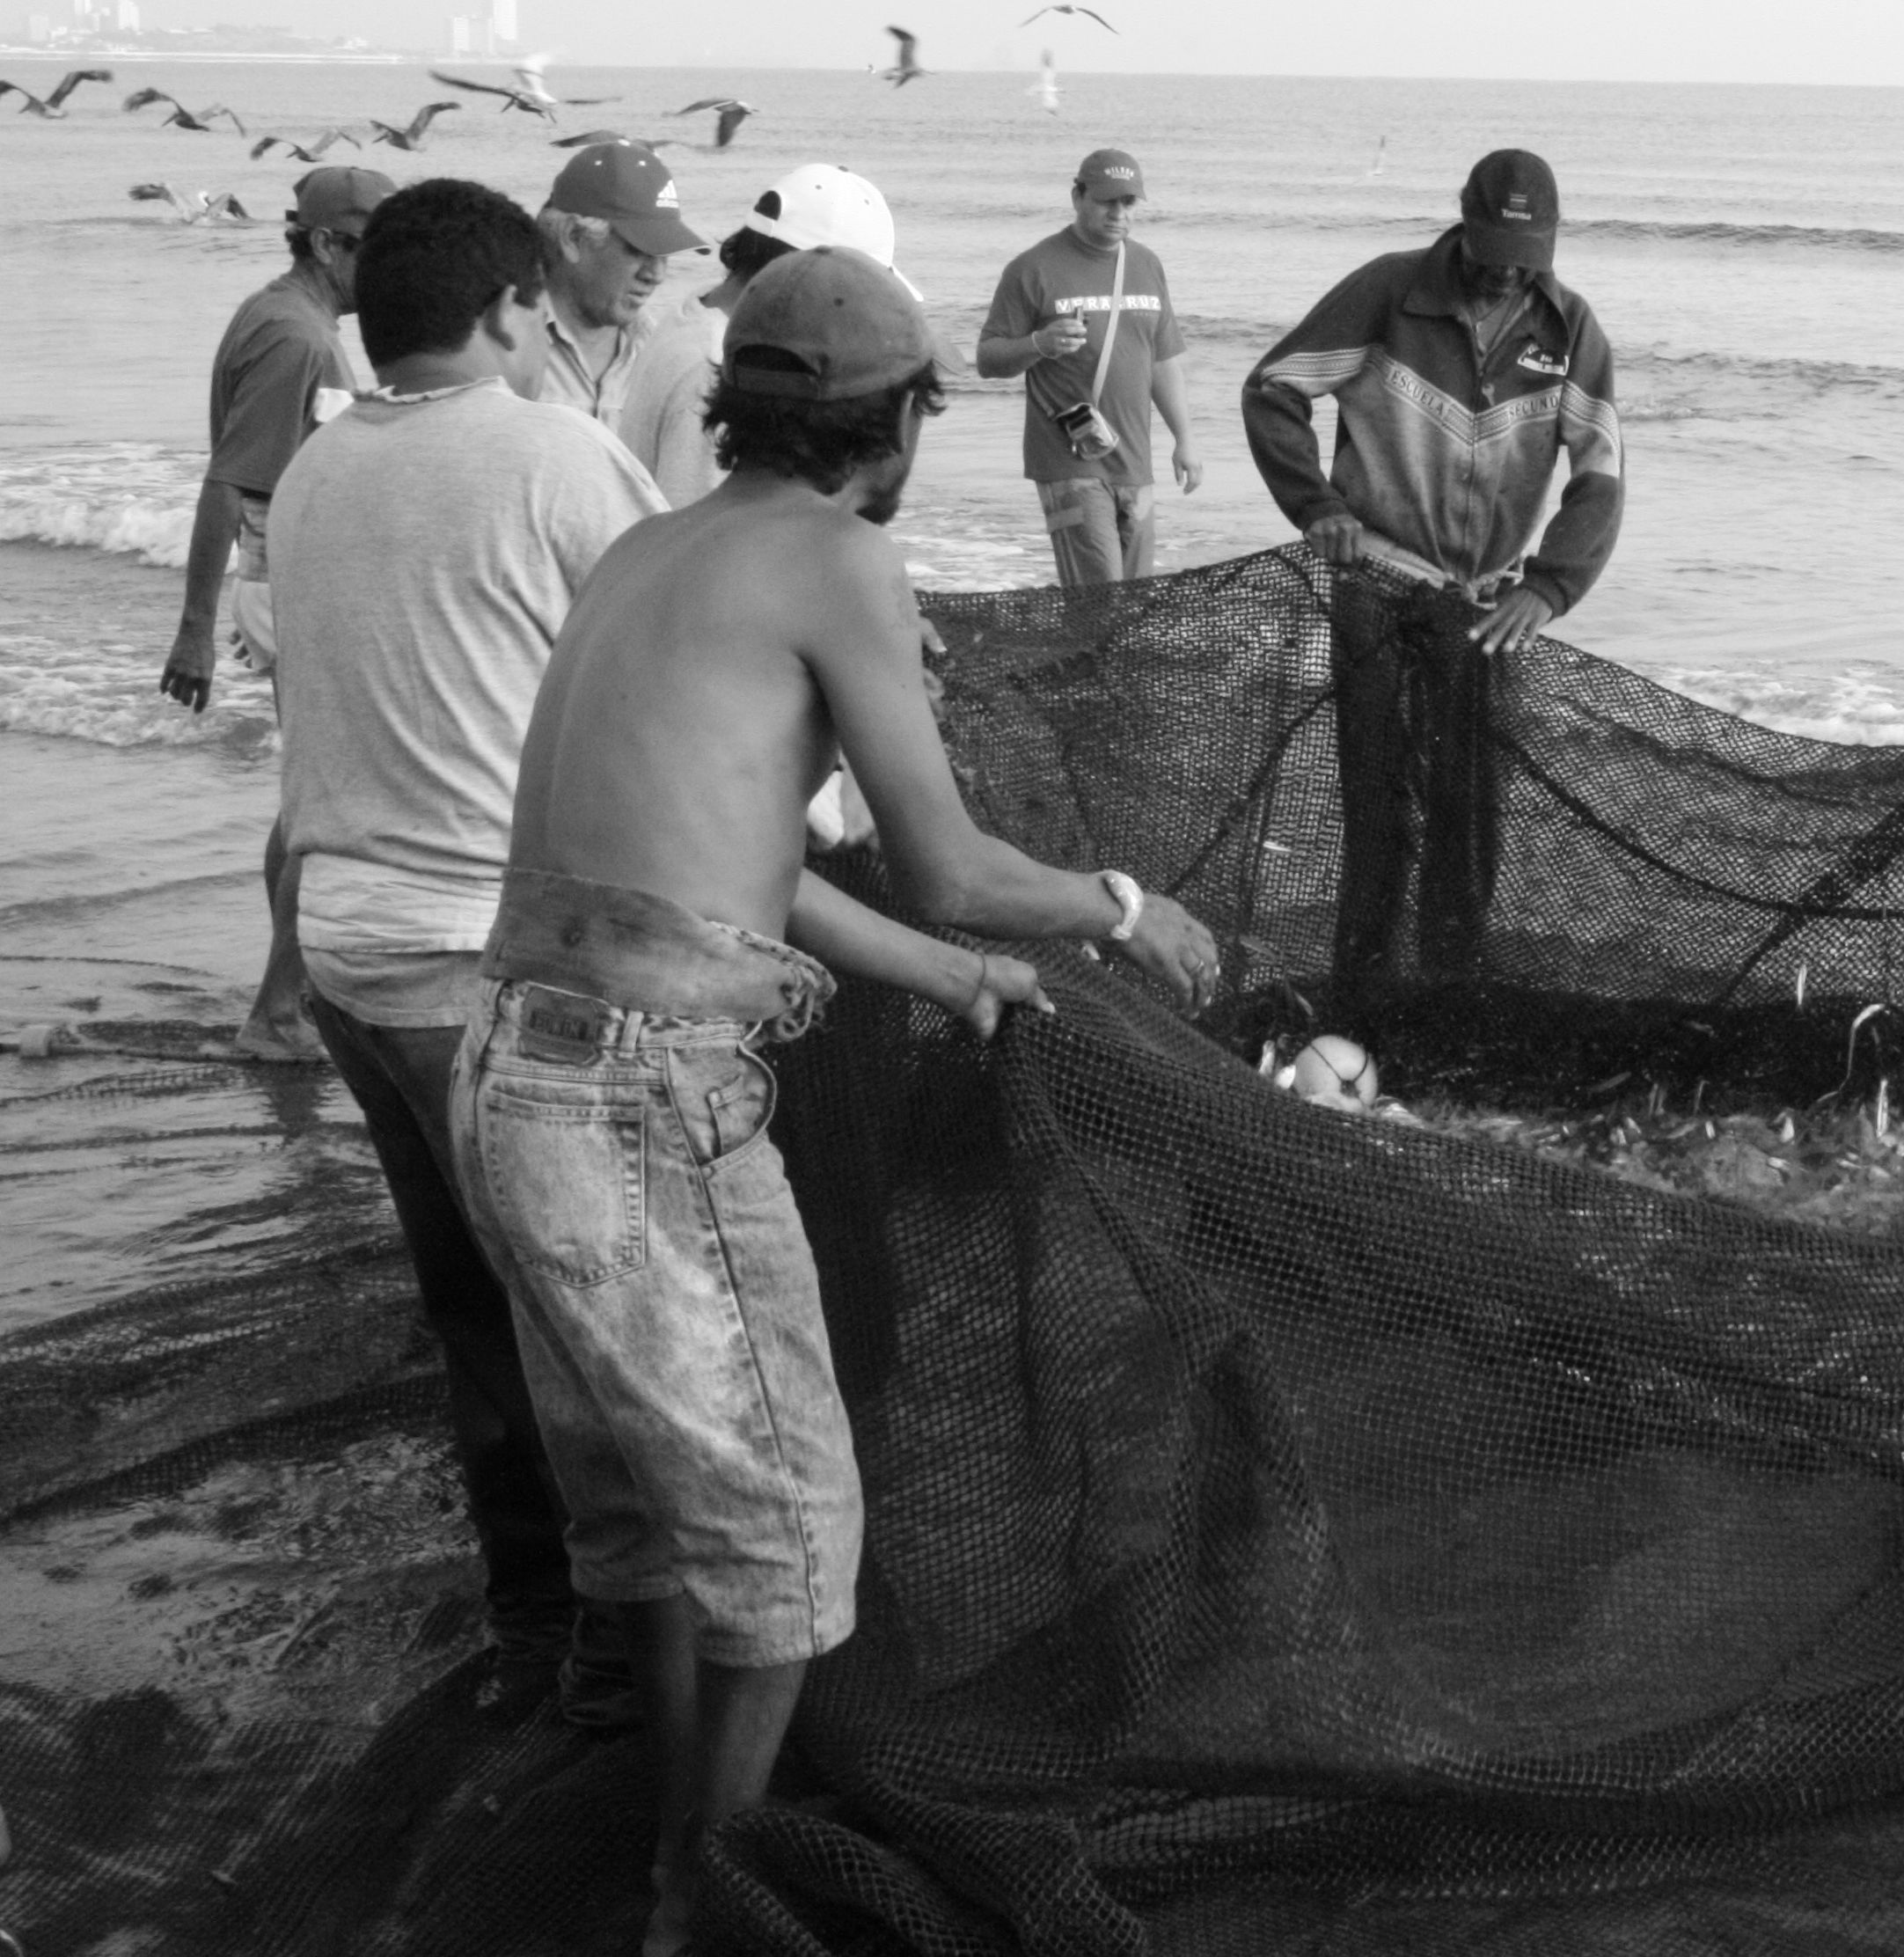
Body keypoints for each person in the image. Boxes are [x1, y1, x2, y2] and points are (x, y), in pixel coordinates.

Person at [455, 245, 1219, 1956]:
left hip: (512, 1074)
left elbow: (743, 866)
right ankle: (697, 1903)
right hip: (648, 1106)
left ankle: (678, 1846)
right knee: (801, 1547)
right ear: (898, 430)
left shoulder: (651, 547)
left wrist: (946, 983)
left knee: (660, 1531)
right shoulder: (839, 561)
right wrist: (1120, 905)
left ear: (740, 404)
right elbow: (947, 858)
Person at [265, 176, 667, 1723]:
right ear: (514, 311)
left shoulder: (314, 466)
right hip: (477, 967)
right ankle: (618, 1657)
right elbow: (674, 643)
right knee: (586, 1318)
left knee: (473, 1308)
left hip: (351, 955)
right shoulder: (552, 449)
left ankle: (528, 1614)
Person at [1241, 148, 1624, 993]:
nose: (1504, 280)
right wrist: (1318, 508)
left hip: (1487, 607)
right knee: (1379, 808)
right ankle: (1365, 987)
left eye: (1525, 265)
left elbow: (1599, 475)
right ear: (1462, 220)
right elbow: (1273, 389)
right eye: (1492, 258)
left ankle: (1450, 986)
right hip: (1376, 585)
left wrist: (1549, 585)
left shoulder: (1569, 330)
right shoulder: (1388, 292)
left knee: (1471, 811)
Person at [157, 164, 393, 1059]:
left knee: (309, 804)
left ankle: (291, 999)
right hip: (283, 582)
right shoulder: (297, 338)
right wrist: (192, 631)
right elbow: (230, 479)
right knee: (323, 809)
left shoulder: (280, 315)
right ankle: (280, 1013)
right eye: (377, 249)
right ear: (329, 243)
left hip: (285, 579)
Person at [974, 148, 1202, 584]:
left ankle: (1101, 656)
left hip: (1133, 458)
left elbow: (1164, 359)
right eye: (1106, 201)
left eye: (1128, 203)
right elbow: (988, 359)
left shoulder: (1146, 264)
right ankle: (1091, 655)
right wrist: (1040, 343)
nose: (1118, 213)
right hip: (1068, 458)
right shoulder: (1032, 268)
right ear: (1077, 197)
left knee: (1131, 594)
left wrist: (1185, 440)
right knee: (1098, 594)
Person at [645, 165, 916, 505]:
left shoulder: (699, 317)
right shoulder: (718, 368)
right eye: (852, 297)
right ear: (805, 276)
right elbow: (694, 537)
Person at [516, 138, 713, 478]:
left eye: (664, 254)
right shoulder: (502, 344)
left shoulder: (660, 351)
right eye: (639, 251)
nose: (657, 274)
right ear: (573, 239)